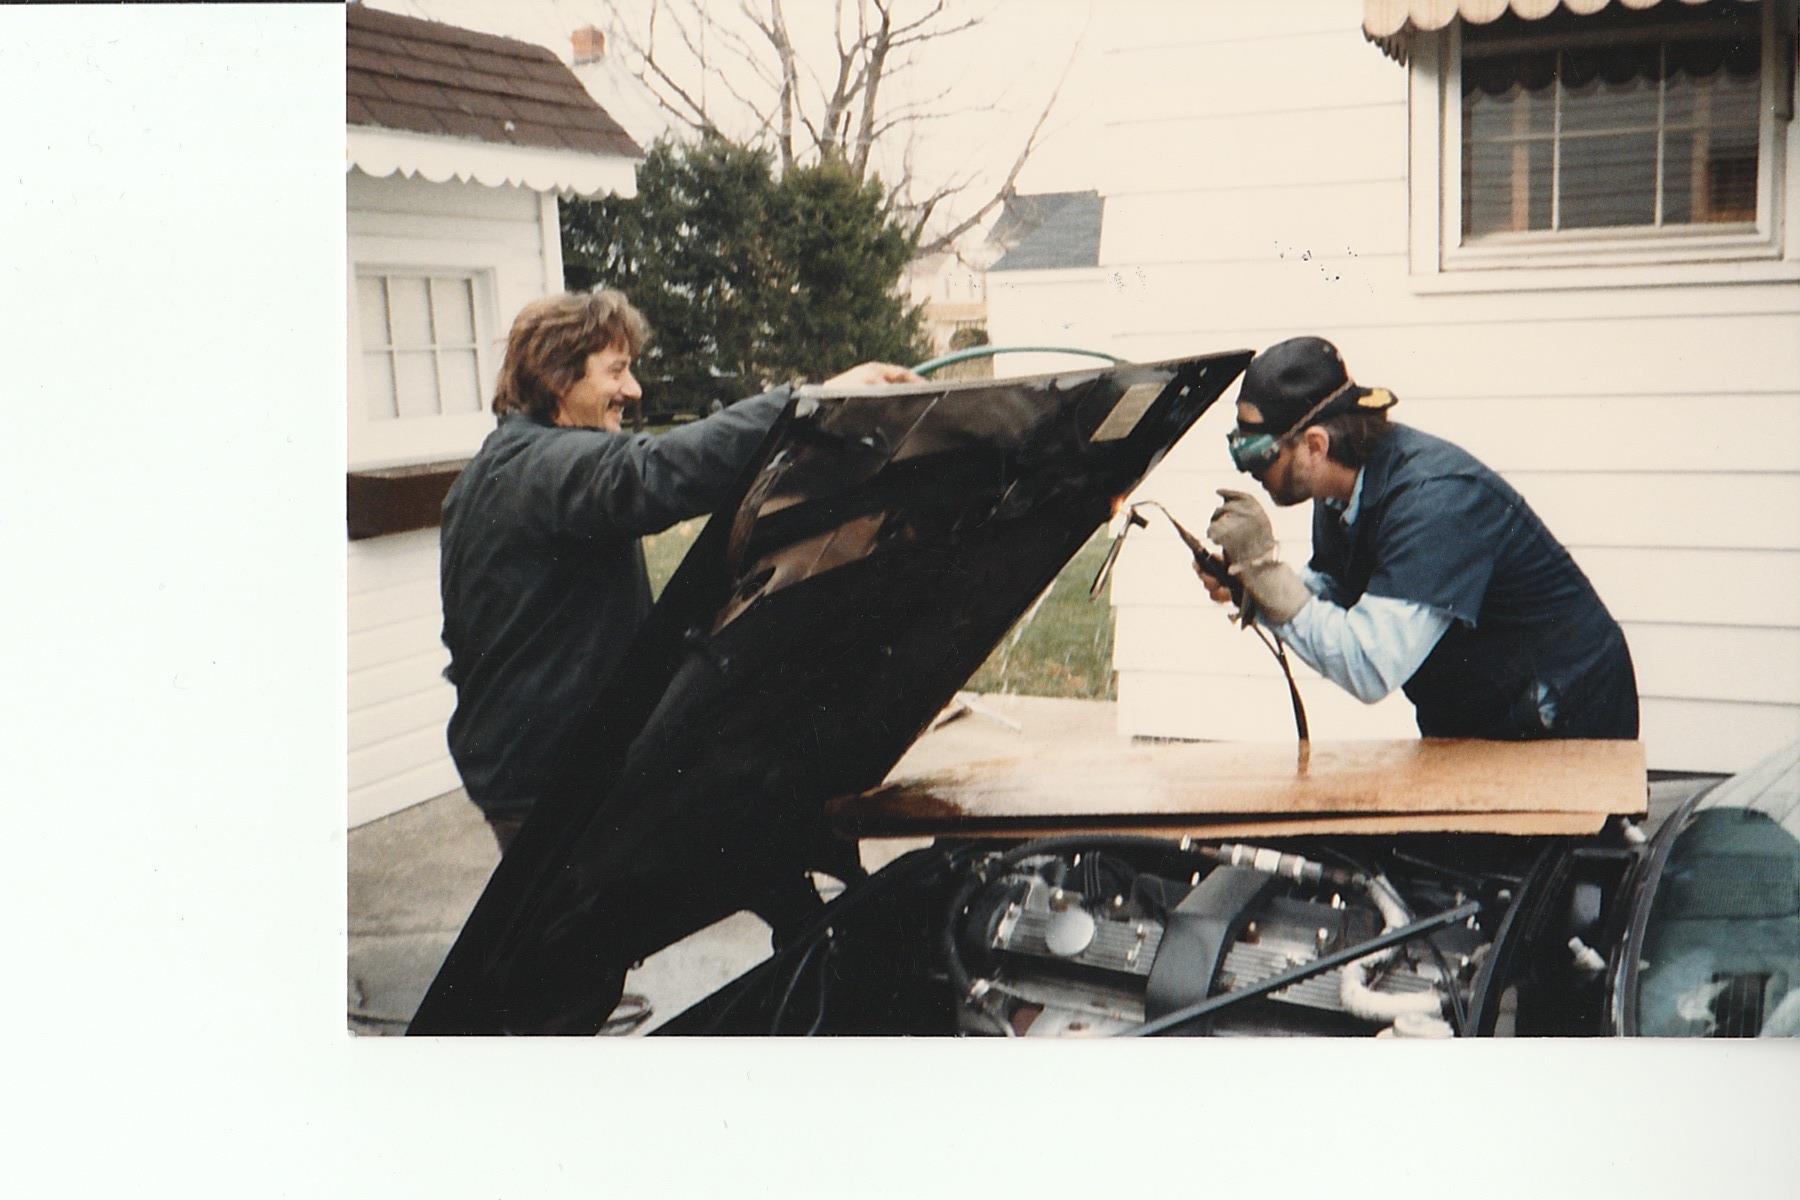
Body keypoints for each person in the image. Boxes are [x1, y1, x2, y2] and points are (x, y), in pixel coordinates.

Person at [438, 288, 920, 854]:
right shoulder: (546, 468)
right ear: (557, 378)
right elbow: (659, 471)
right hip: (551, 782)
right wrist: (813, 403)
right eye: (616, 370)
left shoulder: (498, 468)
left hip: (524, 765)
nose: (634, 390)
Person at [1197, 335, 1637, 740]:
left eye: (1257, 454)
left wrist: (1267, 574)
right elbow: (1330, 593)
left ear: (1315, 445)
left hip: (1560, 713)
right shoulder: (1342, 491)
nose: (1249, 472)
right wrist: (1251, 586)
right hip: (1479, 709)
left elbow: (1368, 665)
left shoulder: (1437, 503)